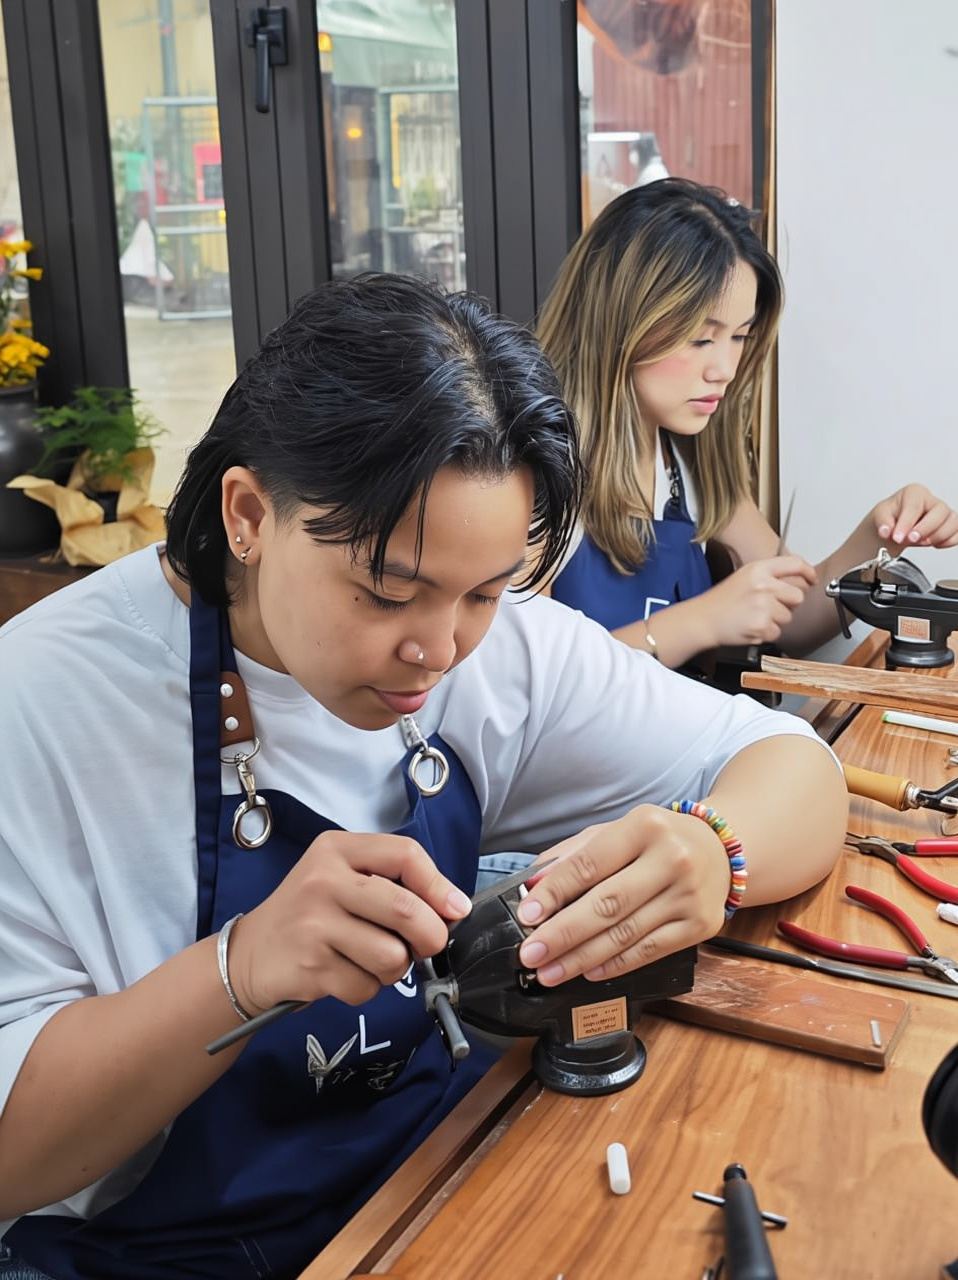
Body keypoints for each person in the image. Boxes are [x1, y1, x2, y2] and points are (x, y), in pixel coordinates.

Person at [0, 274, 846, 1280]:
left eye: (484, 592)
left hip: (437, 1190)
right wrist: (237, 972)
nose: (439, 649)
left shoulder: (497, 653)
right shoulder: (42, 700)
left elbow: (800, 770)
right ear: (247, 514)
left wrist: (715, 849)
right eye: (387, 591)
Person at [537, 178, 958, 669]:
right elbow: (529, 684)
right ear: (618, 322)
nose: (725, 370)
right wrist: (702, 621)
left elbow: (797, 623)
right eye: (700, 339)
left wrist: (878, 535)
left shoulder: (686, 466)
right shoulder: (537, 475)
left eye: (739, 337)